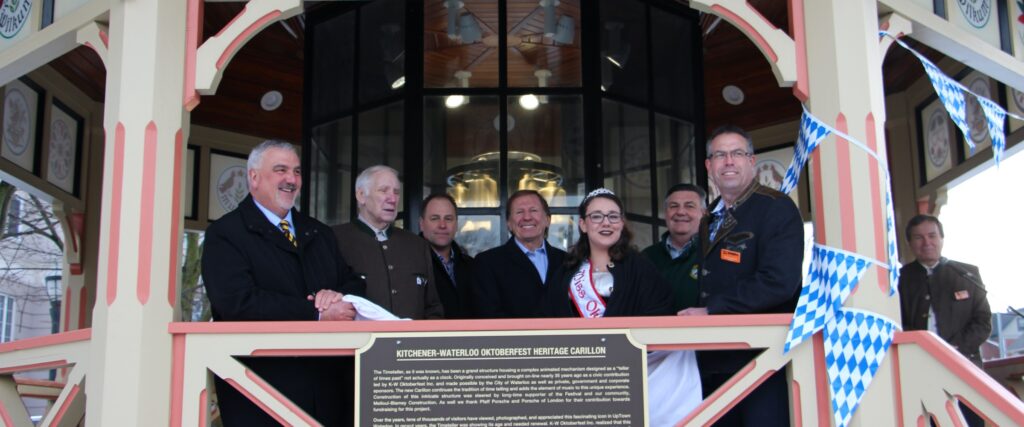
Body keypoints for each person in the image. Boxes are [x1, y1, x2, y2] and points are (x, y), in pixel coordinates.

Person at [201, 140, 364, 426]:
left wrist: (337, 296)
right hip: (260, 391)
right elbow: (236, 302)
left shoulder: (320, 233)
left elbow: (354, 283)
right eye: (280, 170)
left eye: (297, 172)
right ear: (253, 177)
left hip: (328, 389)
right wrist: (315, 314)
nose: (291, 179)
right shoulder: (225, 234)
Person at [679, 125, 804, 427]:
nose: (729, 161)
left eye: (737, 153)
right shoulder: (709, 214)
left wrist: (712, 311)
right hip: (714, 360)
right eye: (720, 155)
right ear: (709, 166)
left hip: (761, 360)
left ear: (752, 161)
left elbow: (780, 282)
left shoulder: (776, 208)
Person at [544, 188, 701, 425]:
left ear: (621, 223)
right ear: (583, 225)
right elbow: (547, 320)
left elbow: (660, 315)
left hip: (626, 377)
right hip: (578, 379)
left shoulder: (642, 268)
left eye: (613, 216)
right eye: (596, 216)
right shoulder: (565, 271)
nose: (605, 223)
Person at [899, 214, 991, 426]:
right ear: (910, 243)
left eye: (932, 235)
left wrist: (954, 348)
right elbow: (897, 323)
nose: (927, 242)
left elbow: (983, 320)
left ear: (942, 238)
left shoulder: (966, 274)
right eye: (919, 237)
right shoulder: (900, 278)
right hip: (920, 368)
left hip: (965, 366)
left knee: (970, 420)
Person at [334, 165, 444, 319]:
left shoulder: (417, 245)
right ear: (361, 195)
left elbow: (433, 308)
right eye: (383, 190)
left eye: (396, 192)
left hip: (412, 342)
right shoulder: (334, 239)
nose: (392, 199)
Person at [473, 189, 566, 318]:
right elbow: (488, 315)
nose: (527, 217)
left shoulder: (567, 261)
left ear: (547, 220)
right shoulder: (487, 263)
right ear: (509, 224)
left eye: (533, 210)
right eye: (519, 212)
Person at [642, 183, 707, 312]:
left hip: (701, 331)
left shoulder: (715, 254)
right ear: (666, 213)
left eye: (689, 206)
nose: (681, 212)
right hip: (655, 331)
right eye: (674, 206)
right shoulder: (646, 257)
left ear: (704, 214)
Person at [419, 193, 475, 319]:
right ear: (421, 224)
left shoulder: (472, 266)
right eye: (435, 218)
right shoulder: (409, 263)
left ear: (456, 225)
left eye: (448, 219)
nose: (442, 225)